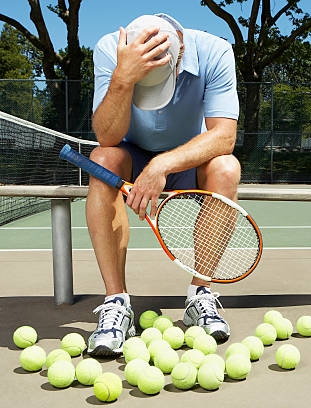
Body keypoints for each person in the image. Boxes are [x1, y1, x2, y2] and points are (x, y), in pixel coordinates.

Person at [86, 13, 240, 357]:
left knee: (227, 168)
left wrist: (163, 164)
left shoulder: (215, 51)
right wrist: (124, 78)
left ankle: (200, 294)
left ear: (180, 51)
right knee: (102, 160)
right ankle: (116, 302)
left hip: (187, 157)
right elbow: (107, 136)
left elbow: (224, 136)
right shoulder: (109, 48)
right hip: (130, 156)